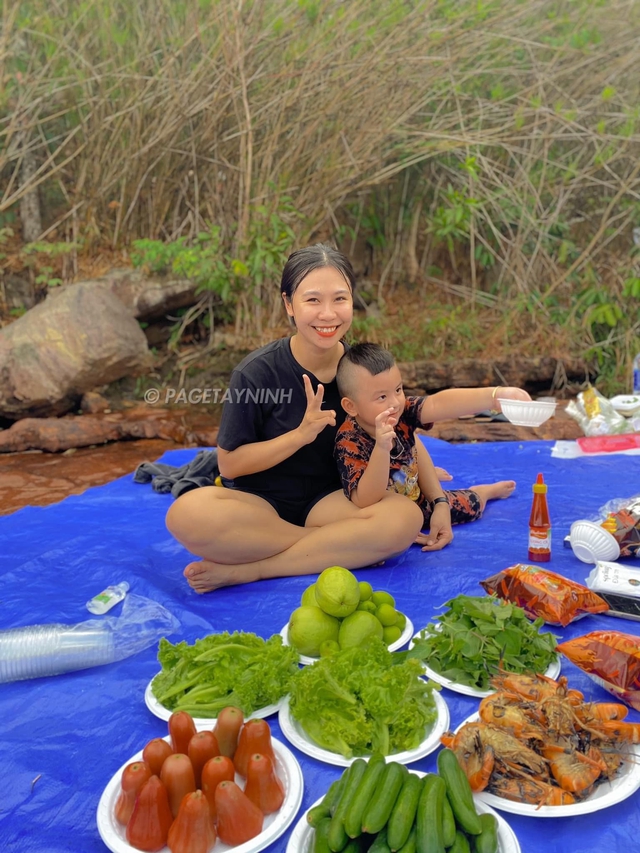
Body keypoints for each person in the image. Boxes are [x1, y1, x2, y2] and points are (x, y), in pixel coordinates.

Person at [166, 244, 425, 593]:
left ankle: (255, 569)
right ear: (289, 304)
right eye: (313, 300)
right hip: (258, 506)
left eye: (340, 299)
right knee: (185, 513)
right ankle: (336, 547)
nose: (328, 314)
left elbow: (401, 425)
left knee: (405, 518)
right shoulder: (255, 374)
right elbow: (229, 466)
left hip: (330, 502)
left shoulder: (358, 371)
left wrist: (437, 500)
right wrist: (299, 435)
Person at [334, 343, 528, 550]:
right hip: (386, 516)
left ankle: (483, 492)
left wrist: (494, 397)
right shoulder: (349, 440)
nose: (395, 403)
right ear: (350, 406)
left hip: (417, 499)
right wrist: (382, 446)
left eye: (398, 389)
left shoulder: (401, 412)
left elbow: (437, 404)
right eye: (382, 397)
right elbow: (364, 500)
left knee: (469, 504)